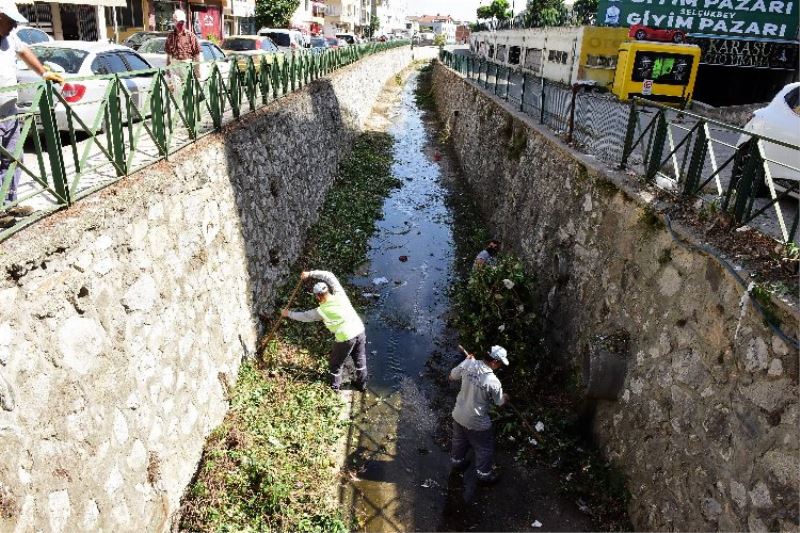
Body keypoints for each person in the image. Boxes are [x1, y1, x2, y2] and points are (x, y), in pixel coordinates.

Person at [0, 0, 63, 229]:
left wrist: (44, 73)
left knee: (14, 158)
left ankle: (9, 202)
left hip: (9, 110)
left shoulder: (10, 38)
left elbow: (25, 52)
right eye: (11, 21)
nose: (15, 26)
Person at [282, 270, 368, 392]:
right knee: (360, 358)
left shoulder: (321, 311)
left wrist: (288, 313)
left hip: (346, 338)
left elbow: (305, 316)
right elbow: (330, 276)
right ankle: (362, 385)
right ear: (328, 290)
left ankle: (334, 388)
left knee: (335, 363)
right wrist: (310, 273)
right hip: (360, 330)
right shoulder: (339, 294)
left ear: (317, 296)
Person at [449, 345, 510, 484]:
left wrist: (466, 362)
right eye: (500, 363)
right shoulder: (493, 382)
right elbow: (500, 403)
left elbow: (451, 376)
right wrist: (506, 397)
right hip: (476, 422)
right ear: (494, 362)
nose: (500, 366)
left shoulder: (468, 364)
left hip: (458, 415)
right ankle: (484, 475)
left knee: (459, 440)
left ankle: (457, 462)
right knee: (484, 447)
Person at [164, 9, 200, 101]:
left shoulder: (191, 36)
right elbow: (168, 55)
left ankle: (191, 111)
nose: (180, 24)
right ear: (174, 22)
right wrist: (167, 70)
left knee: (189, 90)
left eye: (182, 22)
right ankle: (178, 112)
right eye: (178, 22)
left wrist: (197, 71)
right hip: (174, 65)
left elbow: (196, 54)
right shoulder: (170, 37)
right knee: (176, 92)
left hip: (186, 65)